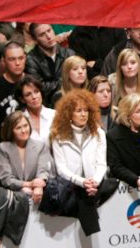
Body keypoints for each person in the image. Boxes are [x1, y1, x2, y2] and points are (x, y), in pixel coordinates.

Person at [49, 89, 108, 236]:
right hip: (71, 185)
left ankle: (93, 234)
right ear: (69, 113)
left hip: (94, 184)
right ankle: (93, 233)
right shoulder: (58, 135)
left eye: (86, 110)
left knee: (106, 187)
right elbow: (61, 168)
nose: (83, 114)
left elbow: (101, 164)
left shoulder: (99, 132)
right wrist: (83, 182)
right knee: (84, 198)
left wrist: (93, 182)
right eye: (78, 110)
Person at [0, 112, 50, 204]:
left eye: (25, 125)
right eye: (18, 128)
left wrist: (38, 186)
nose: (24, 130)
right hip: (12, 199)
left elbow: (42, 171)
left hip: (37, 196)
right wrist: (28, 184)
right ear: (10, 130)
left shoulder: (40, 146)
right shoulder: (2, 148)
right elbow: (6, 179)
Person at [25, 23, 75, 106]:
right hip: (45, 106)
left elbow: (79, 80)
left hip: (71, 101)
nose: (48, 36)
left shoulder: (69, 54)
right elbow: (38, 88)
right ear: (35, 40)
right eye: (42, 35)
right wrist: (65, 81)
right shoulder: (31, 60)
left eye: (49, 30)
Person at [0, 41, 26, 124]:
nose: (17, 63)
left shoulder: (34, 82)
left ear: (25, 58)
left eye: (20, 58)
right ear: (3, 61)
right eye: (12, 59)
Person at [16, 76, 55, 145]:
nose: (34, 97)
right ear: (22, 99)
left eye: (36, 92)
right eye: (28, 94)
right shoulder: (18, 121)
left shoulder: (54, 115)